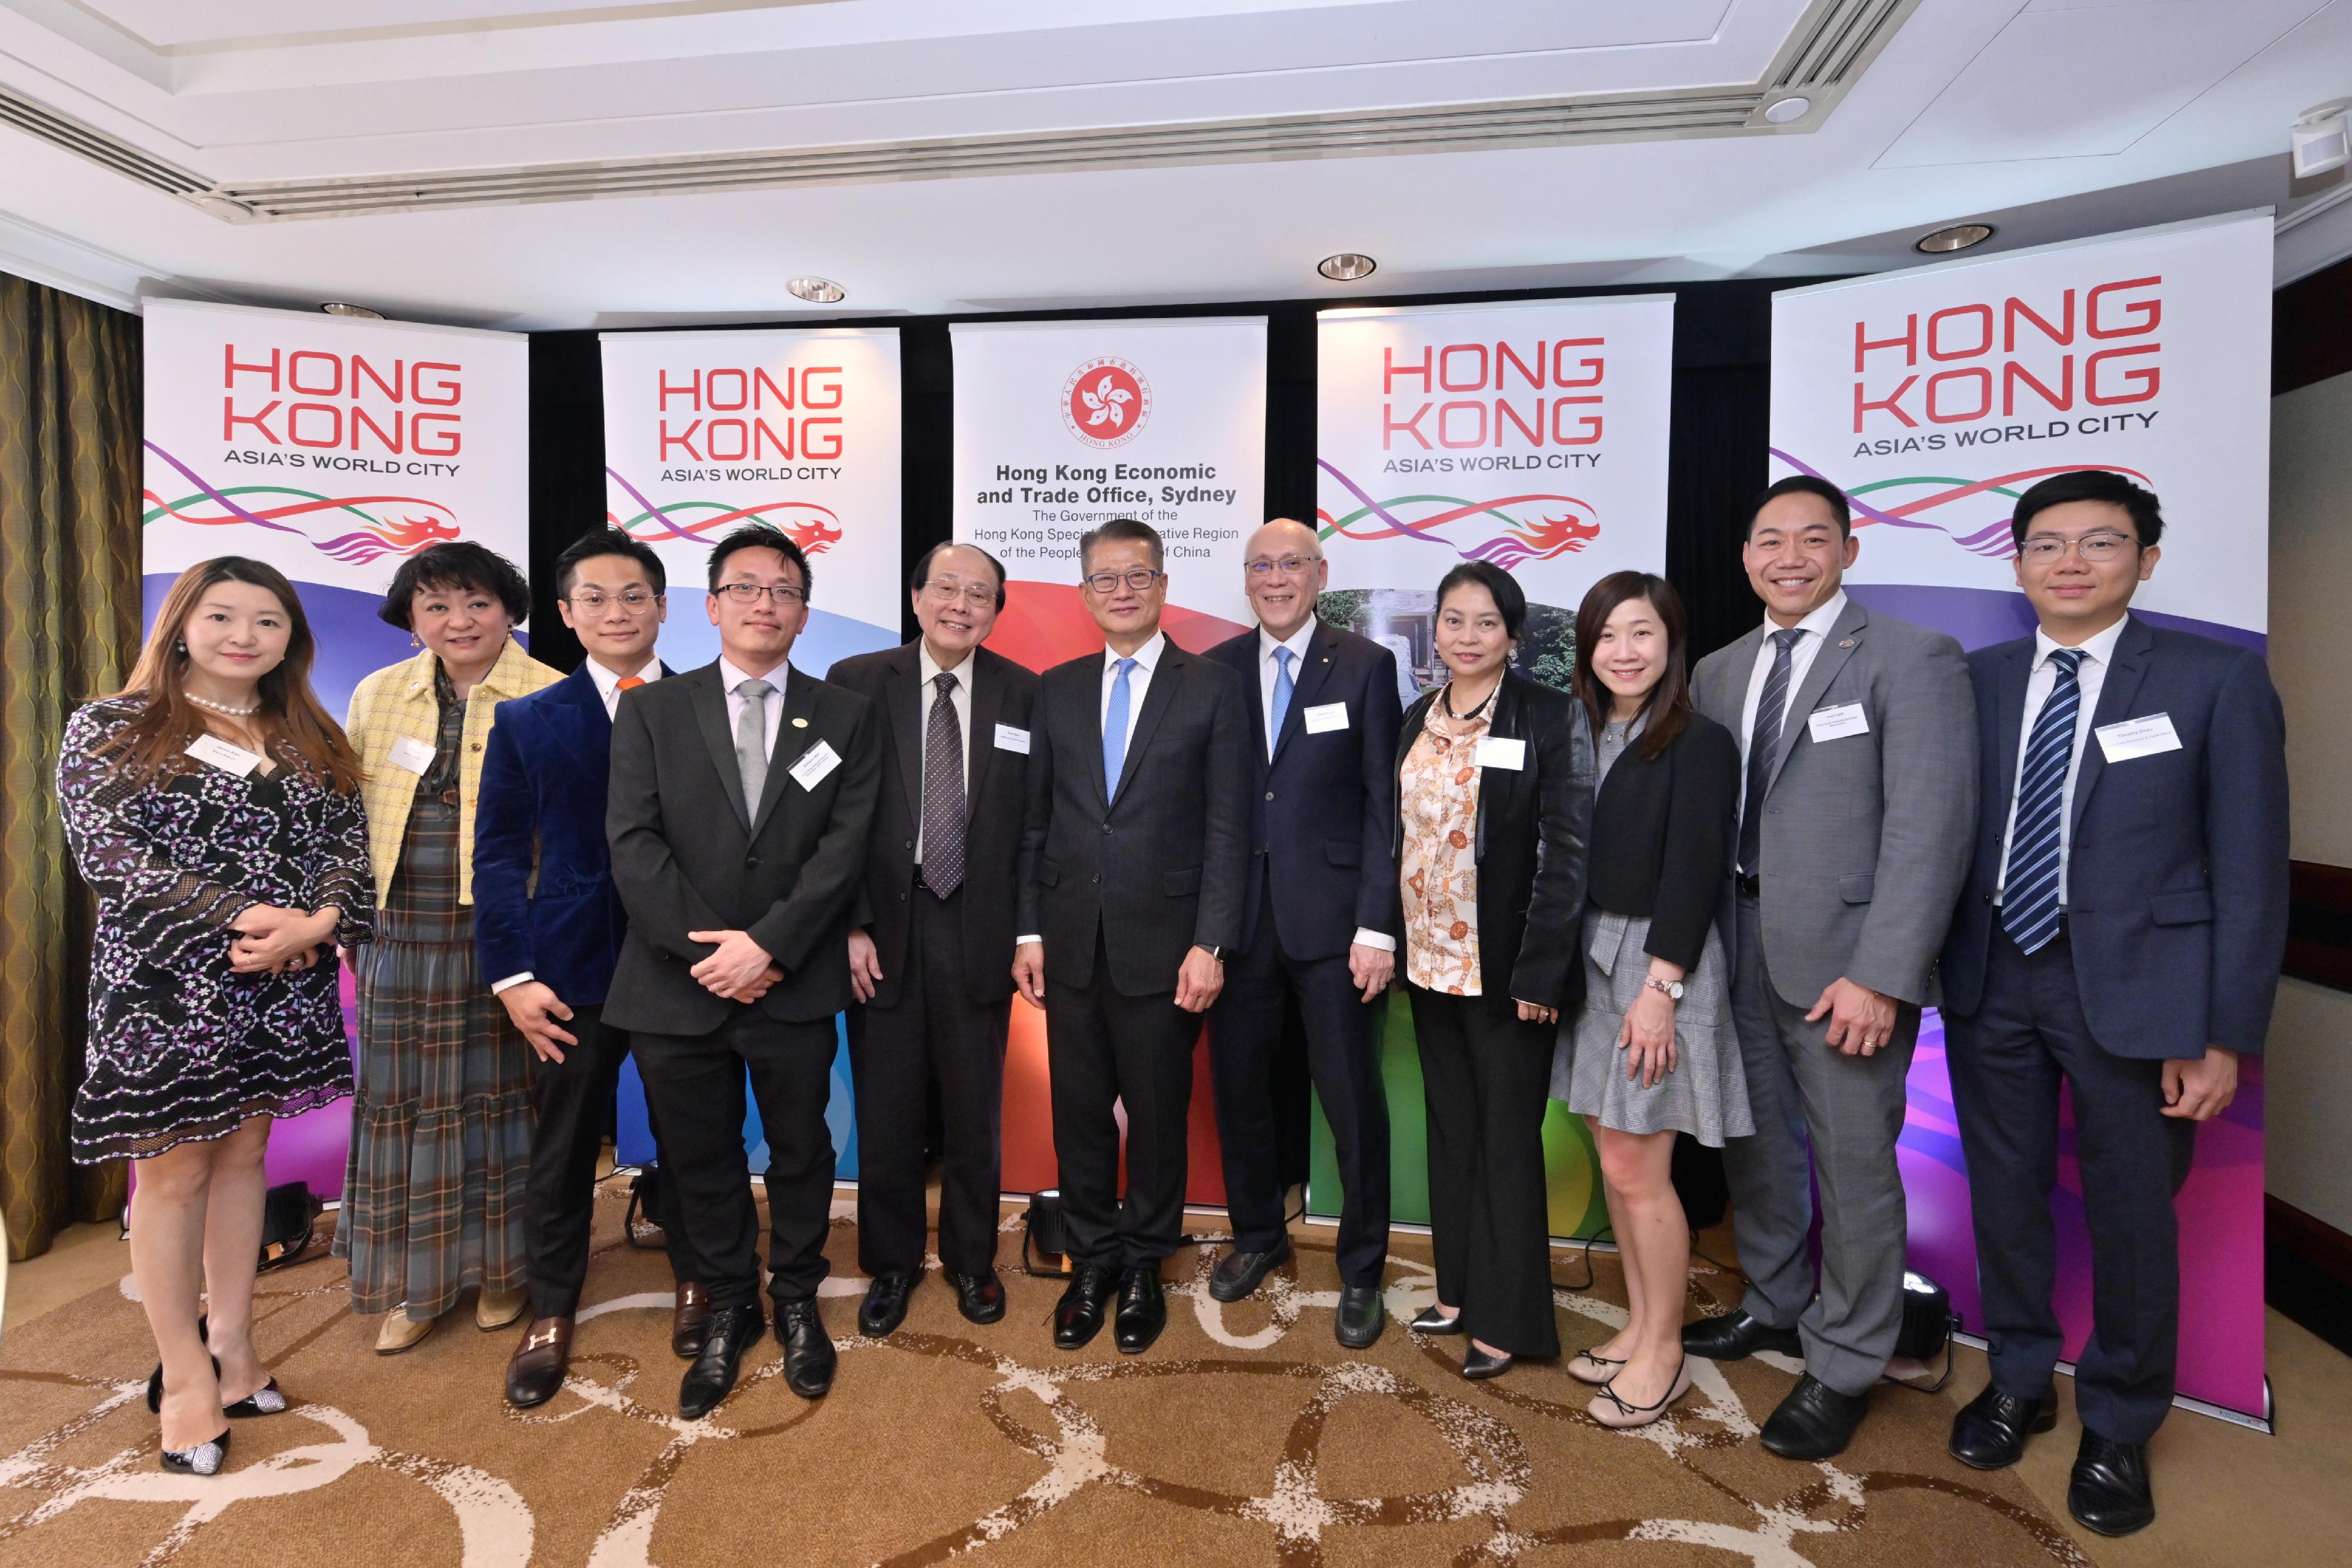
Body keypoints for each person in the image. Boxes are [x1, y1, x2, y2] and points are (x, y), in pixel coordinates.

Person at [1937, 471, 2286, 1536]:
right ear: (2018, 563)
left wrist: (2222, 1034)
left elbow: (2252, 869)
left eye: (2100, 541)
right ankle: (2021, 1375)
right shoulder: (1981, 678)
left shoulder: (2214, 679)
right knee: (2004, 1192)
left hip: (2142, 996)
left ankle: (2123, 1420)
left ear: (2148, 557)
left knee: (2135, 1216)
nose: (2072, 562)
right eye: (2048, 545)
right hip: (1994, 971)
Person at [1685, 475, 1976, 1458]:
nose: (1791, 558)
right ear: (1746, 558)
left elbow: (1930, 828)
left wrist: (1887, 974)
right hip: (1737, 952)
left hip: (1849, 970)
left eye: (1815, 539)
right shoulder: (1720, 671)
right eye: (1770, 541)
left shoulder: (1911, 658)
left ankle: (1847, 1356)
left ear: (1850, 550)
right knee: (1756, 1146)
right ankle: (1774, 1299)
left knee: (1854, 1166)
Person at [59, 558, 371, 1476]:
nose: (244, 636)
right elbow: (111, 855)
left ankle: (233, 1343)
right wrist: (248, 921)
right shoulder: (113, 724)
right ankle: (183, 1370)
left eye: (267, 621)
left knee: (245, 1157)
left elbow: (347, 847)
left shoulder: (308, 729)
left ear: (291, 639)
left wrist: (314, 923)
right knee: (171, 1175)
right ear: (182, 624)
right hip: (165, 985)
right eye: (223, 615)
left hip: (283, 980)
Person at [605, 523, 881, 1418]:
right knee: (700, 1157)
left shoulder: (843, 716)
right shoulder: (651, 709)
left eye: (785, 591)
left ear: (804, 614)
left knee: (804, 1148)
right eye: (748, 587)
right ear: (714, 604)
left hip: (790, 977)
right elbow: (633, 845)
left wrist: (769, 946)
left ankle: (798, 1296)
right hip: (673, 983)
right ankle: (729, 1304)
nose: (767, 604)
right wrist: (710, 954)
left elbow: (845, 849)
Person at [475, 528, 703, 1409]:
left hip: (688, 966)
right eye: (596, 599)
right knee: (563, 1148)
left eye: (635, 595)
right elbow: (496, 856)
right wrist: (512, 976)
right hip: (569, 972)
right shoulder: (527, 719)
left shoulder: (710, 706)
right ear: (566, 615)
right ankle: (553, 1308)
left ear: (663, 607)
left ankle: (703, 1280)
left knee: (695, 1138)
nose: (618, 612)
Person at [1020, 517, 1250, 1356]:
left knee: (1155, 1116)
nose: (1123, 590)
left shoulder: (1213, 687)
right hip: (1071, 940)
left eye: (1138, 575)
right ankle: (1092, 1259)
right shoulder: (1058, 687)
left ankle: (1147, 1260)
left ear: (1162, 584)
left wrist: (1212, 942)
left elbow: (1230, 828)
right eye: (1106, 578)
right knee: (1078, 1113)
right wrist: (1028, 929)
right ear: (1085, 593)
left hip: (1169, 945)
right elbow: (1035, 821)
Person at [338, 541, 562, 1353]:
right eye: (436, 606)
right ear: (411, 620)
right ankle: (417, 1285)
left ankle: (504, 1274)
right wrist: (349, 923)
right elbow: (348, 821)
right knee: (402, 1106)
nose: (458, 621)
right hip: (399, 927)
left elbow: (565, 840)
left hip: (502, 935)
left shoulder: (550, 697)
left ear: (509, 608)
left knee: (497, 1104)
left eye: (475, 601)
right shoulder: (377, 695)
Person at [826, 541, 1041, 1335]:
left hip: (979, 926)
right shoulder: (855, 680)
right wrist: (847, 923)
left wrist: (1028, 932)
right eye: (946, 588)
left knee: (974, 1111)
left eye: (978, 593)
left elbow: (1032, 830)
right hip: (883, 924)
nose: (960, 603)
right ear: (916, 598)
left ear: (995, 610)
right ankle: (890, 1264)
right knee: (887, 1110)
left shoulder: (1026, 693)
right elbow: (832, 817)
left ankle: (972, 1261)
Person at [1551, 571, 1746, 1426]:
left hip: (1655, 959)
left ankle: (1667, 1353)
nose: (1624, 653)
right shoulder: (1585, 731)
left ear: (1672, 645)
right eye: (1607, 637)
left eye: (1642, 635)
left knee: (1641, 1166)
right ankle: (1640, 1324)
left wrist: (1662, 989)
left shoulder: (1697, 743)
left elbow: (1695, 871)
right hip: (1587, 950)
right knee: (1614, 1156)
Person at [1202, 518, 1402, 1349]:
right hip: (1240, 924)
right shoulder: (1214, 671)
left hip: (1333, 927)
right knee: (1240, 1089)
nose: (1276, 579)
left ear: (1321, 575)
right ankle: (1257, 1236)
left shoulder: (1364, 666)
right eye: (1261, 566)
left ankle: (1362, 1267)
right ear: (1245, 579)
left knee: (1350, 1097)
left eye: (1292, 564)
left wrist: (1376, 927)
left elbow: (1382, 808)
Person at [1395, 560, 1593, 1380]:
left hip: (1509, 971)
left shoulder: (1550, 717)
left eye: (1485, 622)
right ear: (1435, 631)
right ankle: (1459, 1289)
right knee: (1452, 1131)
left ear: (1513, 636)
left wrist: (1542, 973)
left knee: (1507, 1142)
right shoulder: (1417, 716)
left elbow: (1569, 852)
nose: (1466, 636)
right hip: (1430, 962)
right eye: (1452, 619)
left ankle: (1511, 1319)